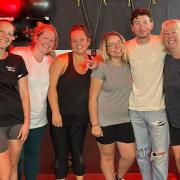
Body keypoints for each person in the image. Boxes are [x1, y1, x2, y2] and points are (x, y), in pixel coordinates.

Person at [126, 8, 170, 180]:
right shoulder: (127, 47)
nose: (142, 26)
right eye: (137, 23)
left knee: (160, 155)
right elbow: (109, 59)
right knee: (142, 154)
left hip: (157, 109)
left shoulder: (163, 43)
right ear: (132, 27)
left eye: (145, 22)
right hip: (134, 109)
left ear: (152, 24)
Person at [11, 22, 58, 180]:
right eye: (45, 38)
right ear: (36, 37)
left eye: (52, 40)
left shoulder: (51, 62)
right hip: (18, 119)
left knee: (32, 155)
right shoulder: (20, 54)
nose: (49, 42)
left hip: (39, 119)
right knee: (16, 159)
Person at [48, 24, 95, 180]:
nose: (78, 43)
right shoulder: (62, 60)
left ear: (88, 41)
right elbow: (51, 88)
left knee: (77, 152)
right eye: (74, 41)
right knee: (61, 155)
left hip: (80, 119)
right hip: (59, 118)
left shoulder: (94, 62)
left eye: (81, 39)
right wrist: (55, 113)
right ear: (70, 43)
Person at [89, 31, 136, 180]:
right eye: (111, 44)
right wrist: (95, 124)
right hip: (104, 121)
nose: (116, 47)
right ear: (106, 49)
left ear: (124, 44)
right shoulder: (100, 67)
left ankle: (118, 177)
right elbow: (92, 97)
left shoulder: (130, 65)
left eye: (119, 42)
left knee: (129, 156)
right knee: (107, 156)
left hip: (125, 119)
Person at [0, 19, 30, 180]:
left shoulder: (17, 61)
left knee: (13, 165)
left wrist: (26, 123)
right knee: (3, 172)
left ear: (13, 38)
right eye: (1, 31)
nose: (5, 36)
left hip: (16, 121)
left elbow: (25, 93)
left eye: (10, 33)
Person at [161, 19, 180, 178]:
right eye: (166, 33)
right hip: (174, 119)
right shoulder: (165, 60)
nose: (170, 36)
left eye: (174, 31)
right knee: (179, 158)